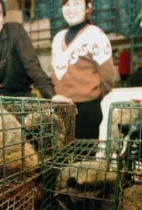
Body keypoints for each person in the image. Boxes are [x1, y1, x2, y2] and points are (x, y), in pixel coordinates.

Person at [51, 0, 116, 139]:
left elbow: (108, 76)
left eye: (76, 3)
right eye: (67, 4)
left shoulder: (95, 34)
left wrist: (92, 96)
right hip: (59, 109)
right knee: (58, 157)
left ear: (88, 8)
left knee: (85, 158)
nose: (71, 8)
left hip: (87, 110)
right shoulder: (57, 38)